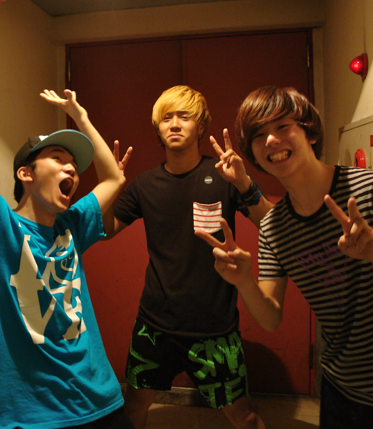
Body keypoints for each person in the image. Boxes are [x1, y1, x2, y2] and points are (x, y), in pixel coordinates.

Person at [0, 0, 134, 429]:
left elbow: (114, 177)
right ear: (25, 174)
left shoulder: (73, 224)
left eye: (74, 164)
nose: (72, 169)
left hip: (101, 400)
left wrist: (81, 116)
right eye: (58, 158)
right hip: (24, 416)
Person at [196, 86, 373, 428]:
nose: (271, 140)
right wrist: (244, 281)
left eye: (282, 126)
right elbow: (270, 318)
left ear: (309, 132)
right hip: (339, 388)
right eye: (258, 135)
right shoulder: (273, 226)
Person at [105, 85, 272, 429]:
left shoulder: (225, 176)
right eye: (166, 117)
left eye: (185, 116)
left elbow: (272, 224)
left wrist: (244, 184)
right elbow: (106, 230)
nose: (175, 124)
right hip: (154, 325)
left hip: (215, 327)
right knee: (133, 407)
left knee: (243, 416)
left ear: (201, 127)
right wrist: (110, 187)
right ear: (158, 129)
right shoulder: (144, 184)